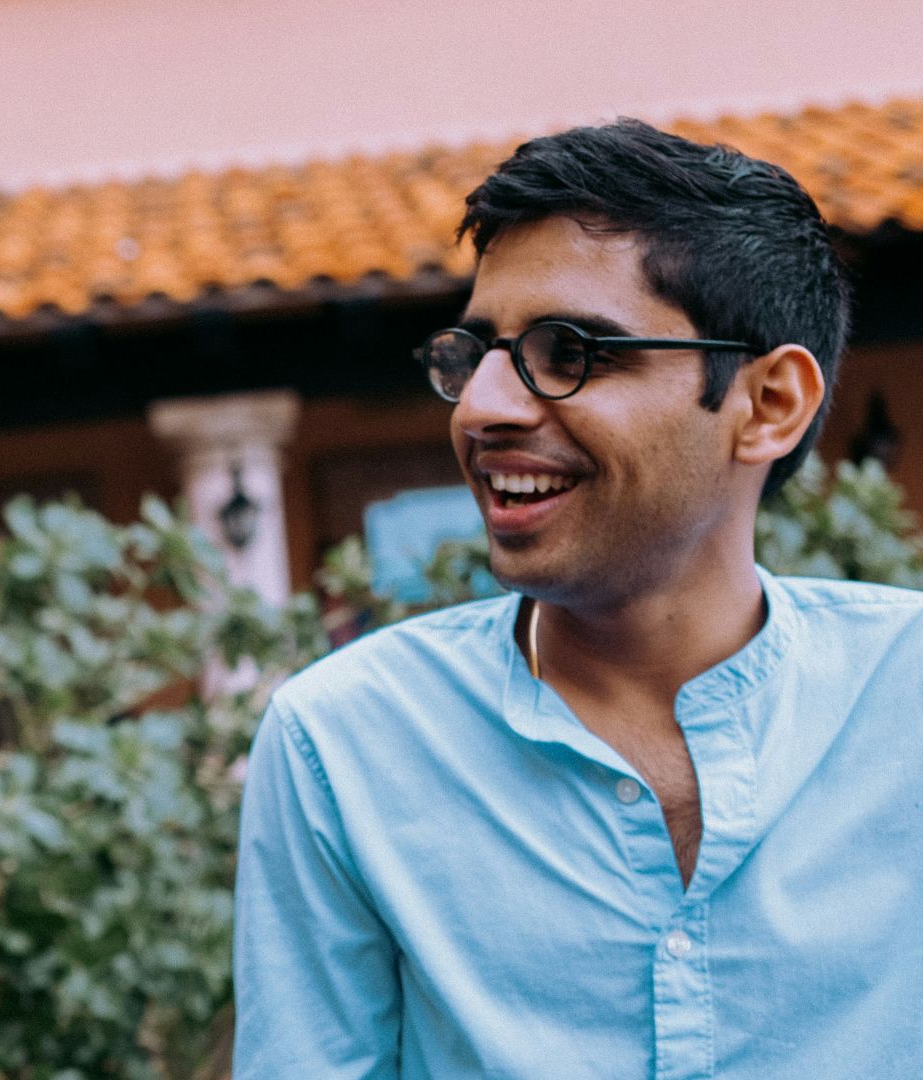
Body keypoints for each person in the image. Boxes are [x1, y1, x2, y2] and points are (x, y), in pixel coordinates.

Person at [233, 119, 923, 1078]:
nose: (483, 408)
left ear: (768, 405)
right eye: (476, 352)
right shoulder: (344, 745)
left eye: (572, 352)